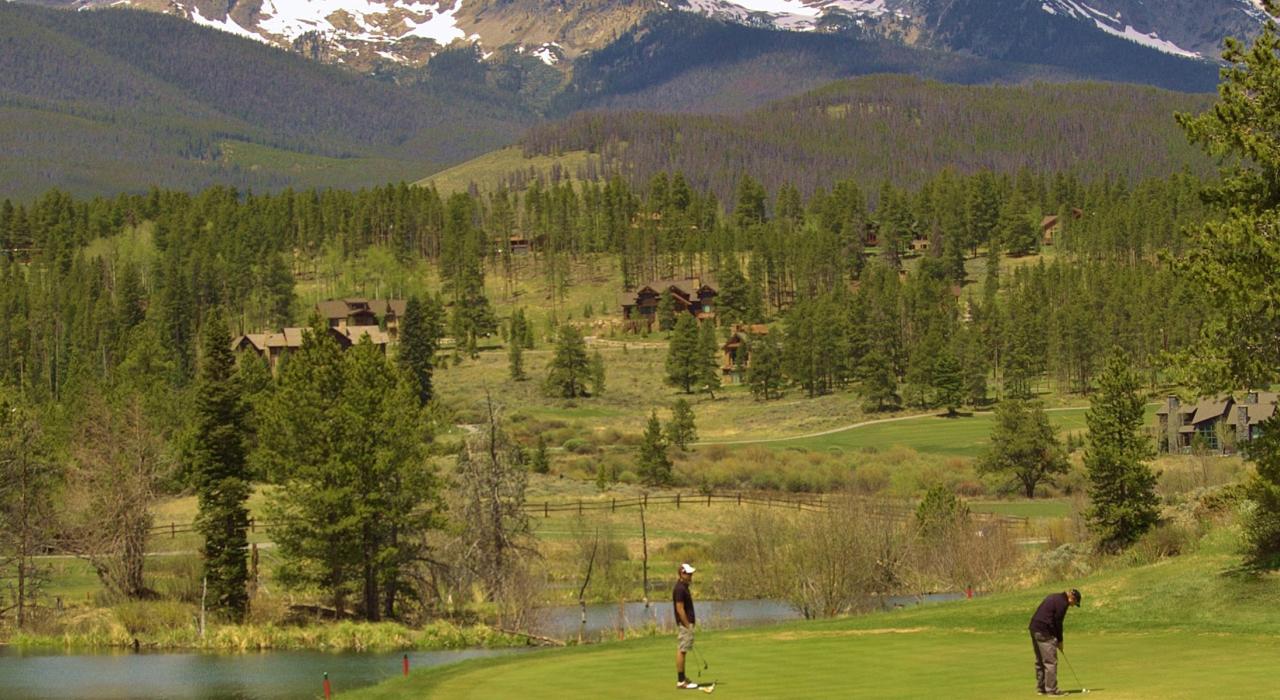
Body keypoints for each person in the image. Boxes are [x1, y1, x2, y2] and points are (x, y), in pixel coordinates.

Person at [1028, 588, 1081, 696]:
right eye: (1074, 602)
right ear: (1072, 597)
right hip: (1044, 631)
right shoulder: (1063, 603)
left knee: (1040, 660)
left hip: (1034, 628)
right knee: (1050, 662)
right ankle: (1051, 690)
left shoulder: (1054, 596)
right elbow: (1057, 623)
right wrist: (1059, 641)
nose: (1072, 605)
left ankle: (1041, 688)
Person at [673, 562, 700, 689]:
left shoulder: (684, 587)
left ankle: (683, 678)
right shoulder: (680, 588)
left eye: (691, 574)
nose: (691, 576)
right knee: (682, 650)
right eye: (688, 574)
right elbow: (680, 609)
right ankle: (681, 681)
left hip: (686, 624)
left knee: (683, 650)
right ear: (682, 574)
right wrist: (687, 625)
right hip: (685, 624)